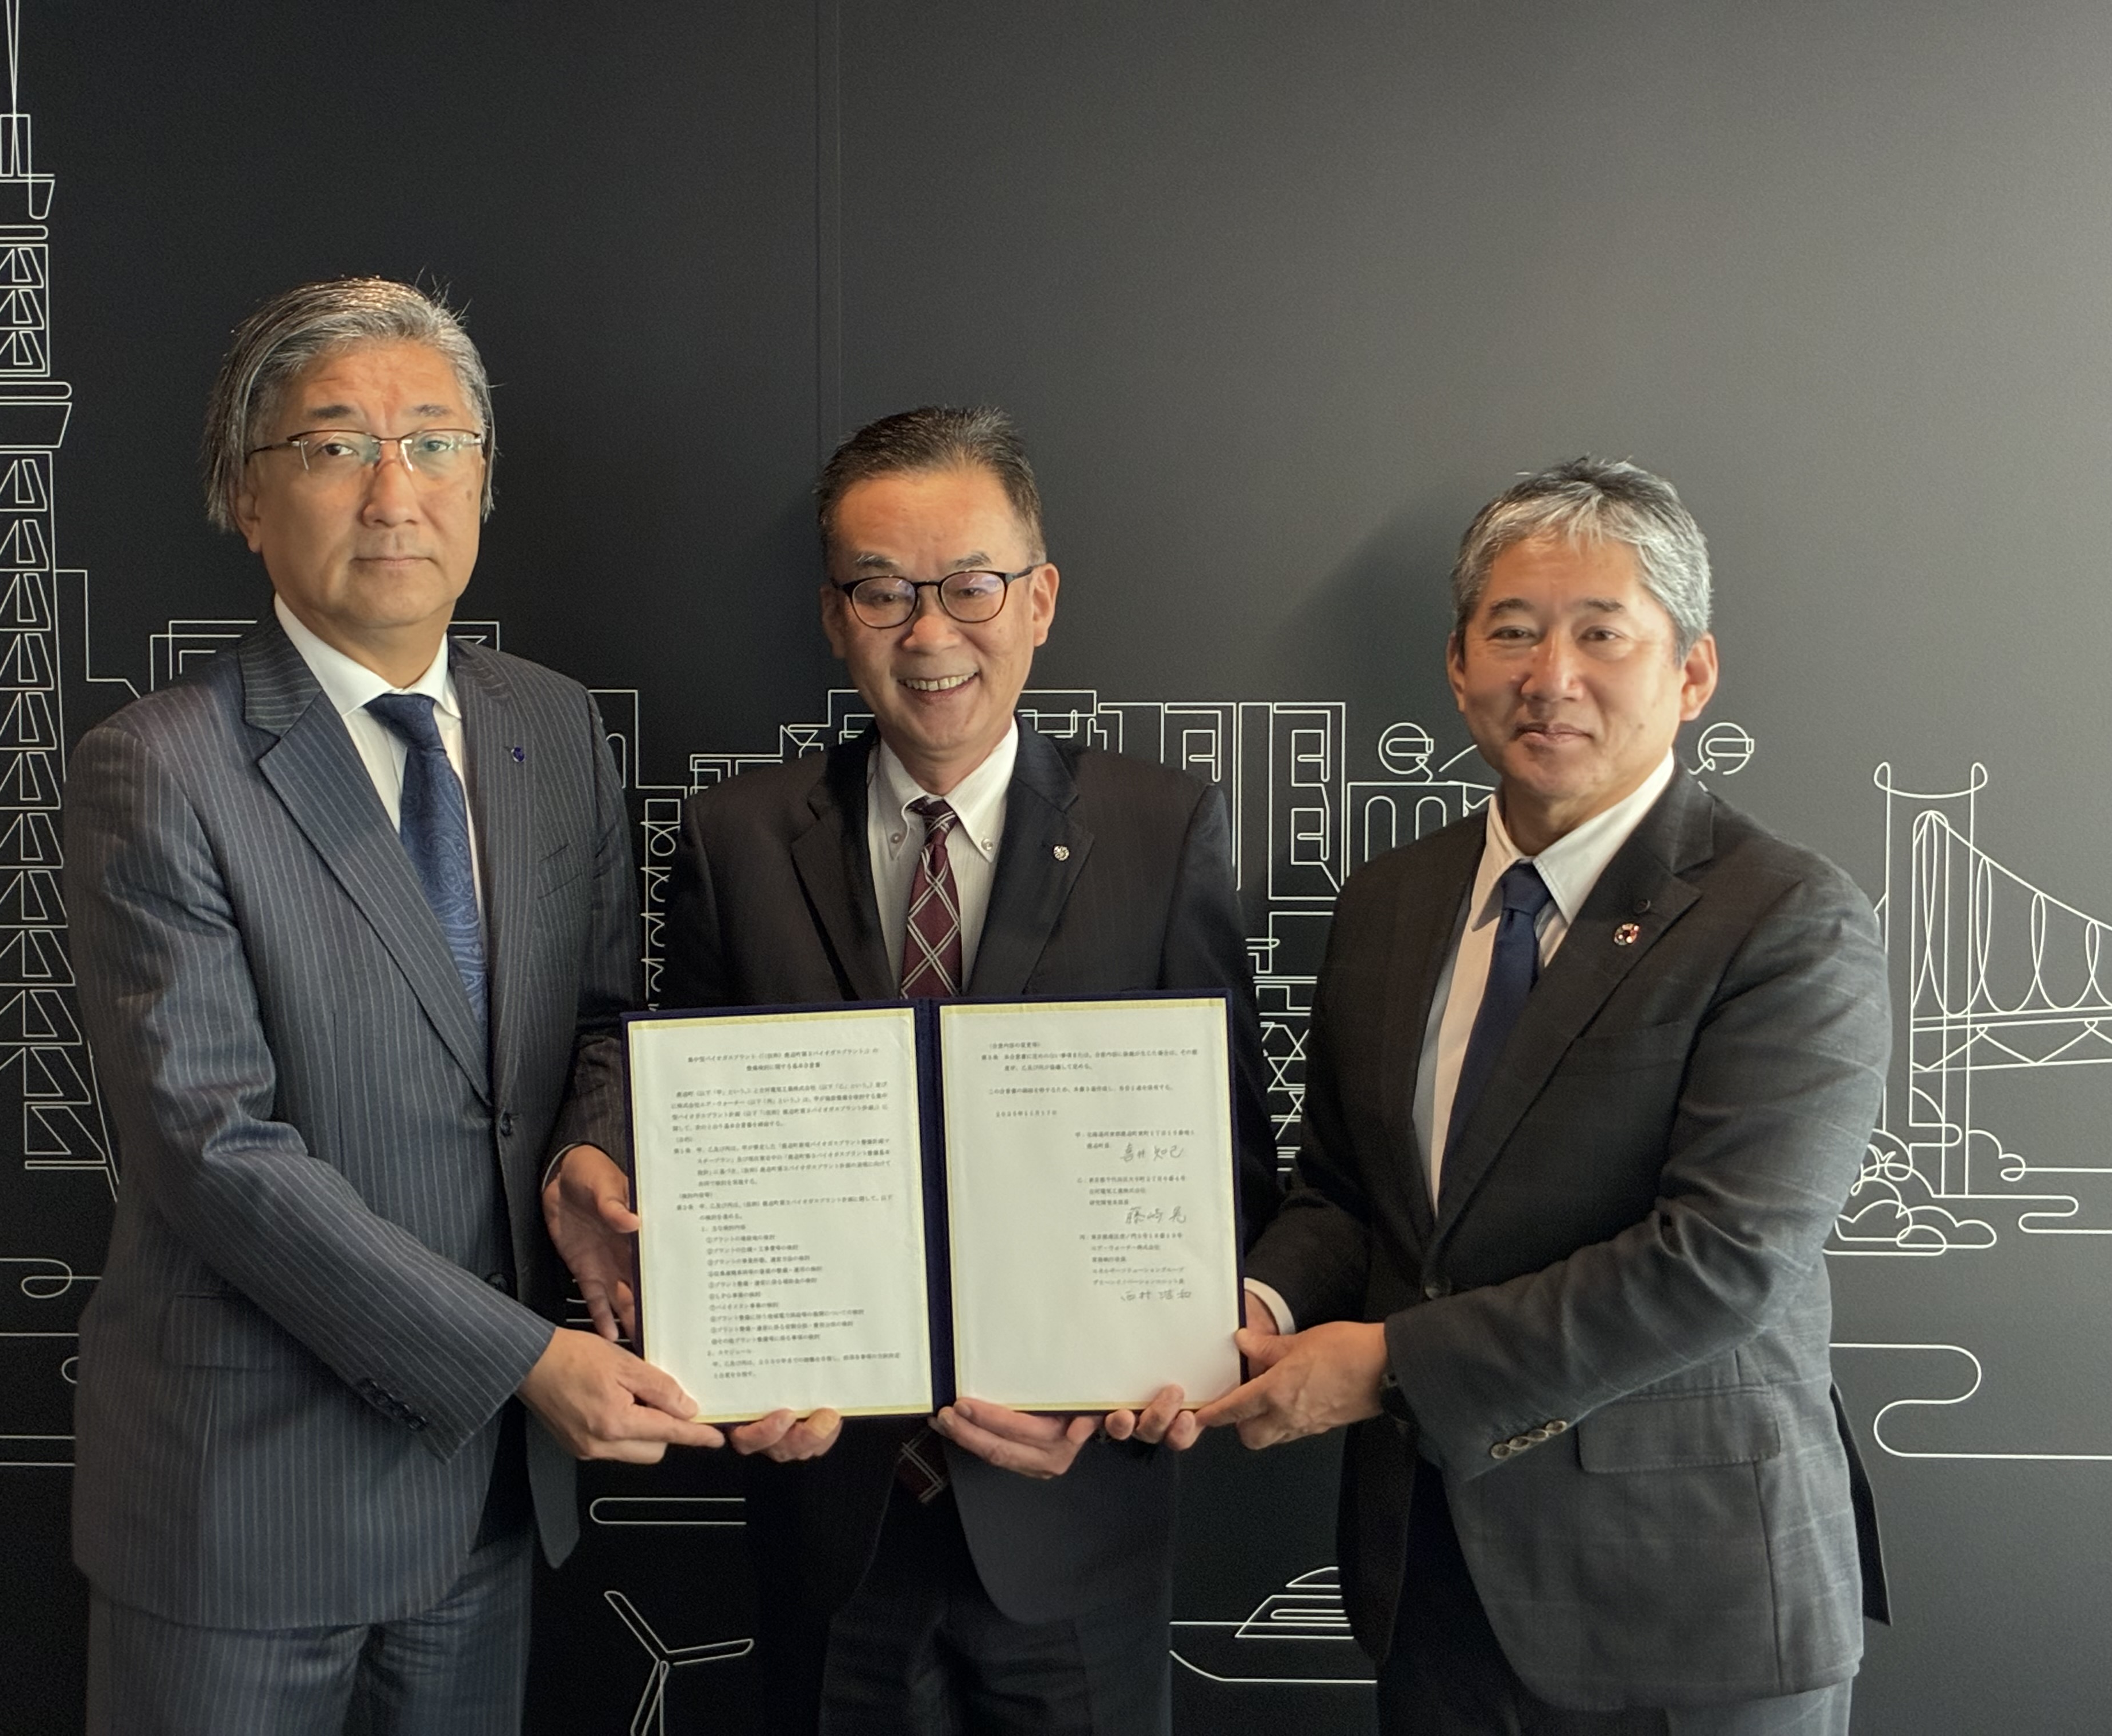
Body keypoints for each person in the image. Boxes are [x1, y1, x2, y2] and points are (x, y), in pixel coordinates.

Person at [557, 405, 1281, 1733]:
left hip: (1079, 1527)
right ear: (835, 618)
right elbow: (686, 1139)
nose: (932, 633)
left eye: (971, 586)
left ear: (1039, 599)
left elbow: (1230, 1172)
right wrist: (723, 1341)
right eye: (884, 591)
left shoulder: (1162, 828)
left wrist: (1144, 1369)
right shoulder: (733, 840)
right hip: (828, 1518)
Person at [65, 277, 721, 1735]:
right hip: (247, 1502)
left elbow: (601, 1019)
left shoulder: (553, 727)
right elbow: (213, 1152)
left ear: (481, 478)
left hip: (484, 1508)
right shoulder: (159, 767)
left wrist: (584, 1156)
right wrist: (524, 1359)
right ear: (248, 497)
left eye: (434, 442)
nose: (392, 490)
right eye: (334, 445)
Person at [1189, 457, 1891, 1734]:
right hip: (1432, 1585)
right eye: (1512, 632)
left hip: (1689, 1601)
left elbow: (1725, 1260)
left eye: (1601, 634)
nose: (1551, 676)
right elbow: (1347, 1193)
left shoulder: (1787, 917)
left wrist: (1390, 1368)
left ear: (1692, 673)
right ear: (1459, 666)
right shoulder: (1392, 902)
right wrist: (1244, 1307)